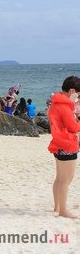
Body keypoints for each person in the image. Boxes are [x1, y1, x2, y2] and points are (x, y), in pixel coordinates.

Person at [48, 76, 80, 218]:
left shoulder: (56, 102)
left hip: (59, 143)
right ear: (72, 91)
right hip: (67, 143)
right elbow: (73, 126)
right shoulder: (64, 106)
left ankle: (57, 207)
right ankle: (63, 211)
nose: (78, 97)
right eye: (78, 94)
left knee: (60, 179)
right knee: (66, 180)